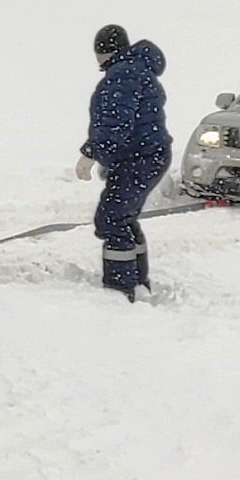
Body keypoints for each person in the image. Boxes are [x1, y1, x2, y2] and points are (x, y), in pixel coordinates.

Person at [74, 24, 171, 301]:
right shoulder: (137, 70)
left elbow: (114, 124)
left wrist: (92, 152)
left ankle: (121, 290)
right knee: (123, 218)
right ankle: (138, 282)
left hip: (138, 158)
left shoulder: (122, 75)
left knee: (112, 219)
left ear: (103, 52)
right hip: (146, 155)